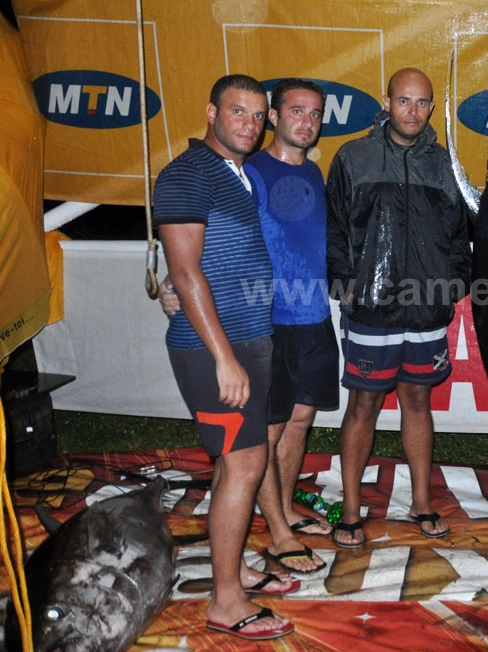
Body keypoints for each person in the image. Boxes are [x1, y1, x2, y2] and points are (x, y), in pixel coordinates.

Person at [160, 79, 339, 574]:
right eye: (294, 111)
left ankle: (280, 513)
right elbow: (191, 254)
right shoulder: (238, 172)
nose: (306, 121)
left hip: (306, 319)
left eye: (316, 113)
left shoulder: (294, 173)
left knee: (291, 426)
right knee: (256, 443)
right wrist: (173, 286)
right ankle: (274, 533)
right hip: (260, 327)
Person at [153, 74, 294, 641]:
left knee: (240, 462)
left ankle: (232, 569)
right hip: (216, 350)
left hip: (246, 341)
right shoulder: (188, 172)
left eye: (259, 116)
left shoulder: (234, 176)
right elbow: (185, 273)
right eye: (239, 112)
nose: (250, 124)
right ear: (211, 112)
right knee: (243, 465)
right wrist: (224, 359)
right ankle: (226, 600)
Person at [325, 68, 471, 548]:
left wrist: (456, 281)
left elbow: (459, 233)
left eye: (423, 103)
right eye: (404, 101)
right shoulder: (354, 157)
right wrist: (344, 283)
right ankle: (350, 508)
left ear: (431, 107)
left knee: (417, 401)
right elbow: (336, 229)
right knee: (362, 405)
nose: (413, 111)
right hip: (370, 310)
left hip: (425, 309)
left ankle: (422, 502)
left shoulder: (444, 163)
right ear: (386, 103)